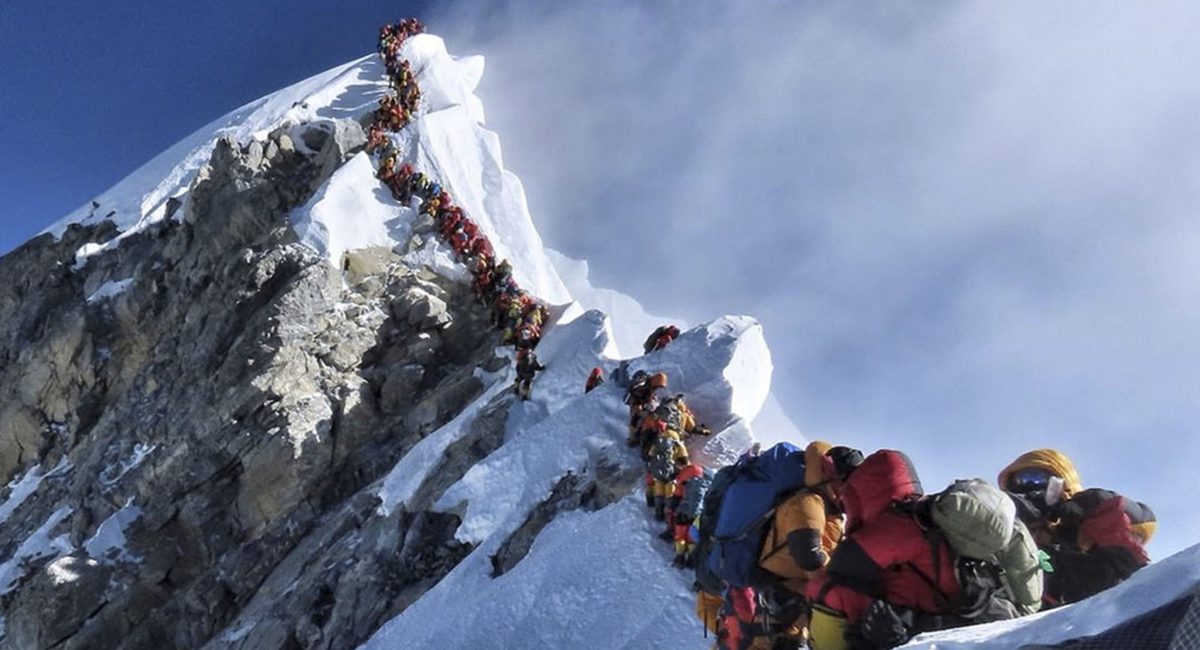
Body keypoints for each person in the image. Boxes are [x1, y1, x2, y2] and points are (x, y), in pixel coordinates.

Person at [808, 448, 965, 650]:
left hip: (932, 620)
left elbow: (843, 565)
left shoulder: (897, 522)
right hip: (930, 610)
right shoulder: (914, 514)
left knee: (826, 589)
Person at [999, 449, 1156, 607]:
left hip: (1102, 609)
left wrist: (1097, 502)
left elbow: (1144, 522)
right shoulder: (1006, 535)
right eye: (1018, 482)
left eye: (1035, 478)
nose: (1026, 487)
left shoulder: (1084, 525)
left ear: (1061, 484)